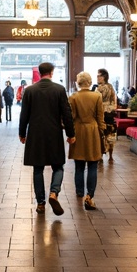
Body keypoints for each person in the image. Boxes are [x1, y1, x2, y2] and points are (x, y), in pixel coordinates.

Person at [19, 61, 74, 215]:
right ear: (52, 72)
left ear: (40, 72)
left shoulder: (30, 91)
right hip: (54, 132)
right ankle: (54, 193)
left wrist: (22, 133)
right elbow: (67, 114)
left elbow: (24, 115)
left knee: (38, 168)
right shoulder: (59, 89)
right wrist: (70, 134)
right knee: (58, 166)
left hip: (35, 133)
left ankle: (40, 203)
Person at [68, 71, 104, 210]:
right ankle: (90, 193)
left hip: (78, 130)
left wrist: (70, 133)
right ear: (89, 82)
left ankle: (79, 191)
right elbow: (100, 117)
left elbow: (71, 117)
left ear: (78, 82)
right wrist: (102, 132)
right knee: (93, 164)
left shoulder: (73, 97)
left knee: (79, 165)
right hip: (93, 130)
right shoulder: (97, 96)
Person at [95, 69, 118, 161]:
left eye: (98, 76)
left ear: (103, 77)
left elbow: (96, 101)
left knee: (101, 133)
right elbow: (114, 100)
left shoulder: (99, 88)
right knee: (110, 132)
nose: (97, 77)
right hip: (110, 112)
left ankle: (100, 154)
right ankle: (111, 155)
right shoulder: (111, 87)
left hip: (101, 113)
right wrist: (112, 108)